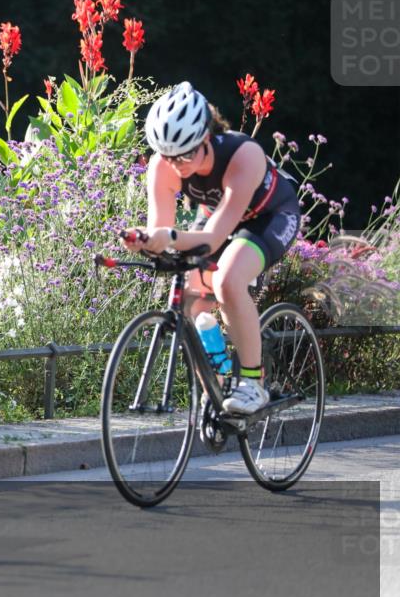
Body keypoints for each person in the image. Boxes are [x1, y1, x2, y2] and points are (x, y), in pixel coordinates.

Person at [124, 81, 300, 414]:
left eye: (187, 154)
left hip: (269, 216)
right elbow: (161, 229)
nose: (178, 165)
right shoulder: (163, 166)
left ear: (206, 136)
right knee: (188, 298)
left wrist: (167, 237)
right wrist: (144, 240)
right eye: (169, 156)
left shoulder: (242, 154)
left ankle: (253, 383)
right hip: (216, 215)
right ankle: (216, 384)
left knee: (227, 280)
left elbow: (213, 238)